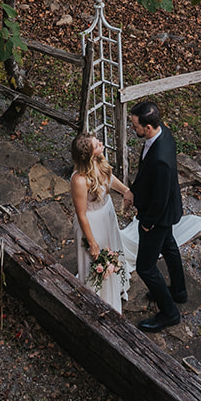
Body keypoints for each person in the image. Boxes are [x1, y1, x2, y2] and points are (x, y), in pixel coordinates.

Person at [129, 99, 186, 332]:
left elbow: (159, 199)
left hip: (158, 216)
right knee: (169, 246)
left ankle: (169, 313)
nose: (133, 129)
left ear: (149, 127)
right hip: (168, 208)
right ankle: (179, 292)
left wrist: (147, 224)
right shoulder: (164, 133)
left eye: (135, 126)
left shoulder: (160, 159)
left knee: (145, 267)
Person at [70, 132, 133, 313]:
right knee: (97, 259)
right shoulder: (79, 180)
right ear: (89, 155)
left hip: (107, 214)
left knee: (112, 248)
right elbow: (81, 214)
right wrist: (92, 242)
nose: (101, 143)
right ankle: (98, 295)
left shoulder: (99, 161)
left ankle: (115, 285)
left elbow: (109, 179)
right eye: (97, 144)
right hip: (92, 222)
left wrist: (126, 191)